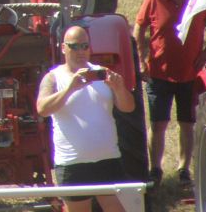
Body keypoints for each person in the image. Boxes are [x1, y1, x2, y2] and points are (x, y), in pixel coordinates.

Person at [134, 0, 206, 186]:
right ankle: (156, 169)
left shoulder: (199, 0)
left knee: (187, 123)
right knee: (158, 123)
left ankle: (184, 168)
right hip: (158, 73)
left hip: (189, 73)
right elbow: (139, 28)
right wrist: (141, 57)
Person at [36, 25, 135, 212]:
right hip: (72, 163)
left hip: (108, 160)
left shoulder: (102, 73)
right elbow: (42, 109)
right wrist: (70, 88)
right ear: (63, 48)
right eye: (74, 46)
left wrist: (119, 88)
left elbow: (128, 107)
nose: (80, 51)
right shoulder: (53, 77)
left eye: (85, 46)